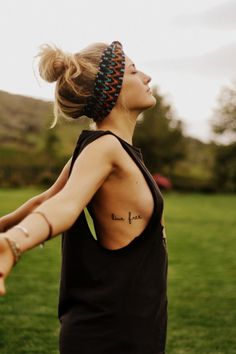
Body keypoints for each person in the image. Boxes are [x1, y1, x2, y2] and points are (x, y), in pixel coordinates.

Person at [0, 40, 168, 354]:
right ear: (115, 88)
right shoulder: (105, 148)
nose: (147, 77)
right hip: (110, 333)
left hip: (132, 324)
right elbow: (64, 205)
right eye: (134, 70)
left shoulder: (110, 149)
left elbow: (44, 200)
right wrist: (13, 242)